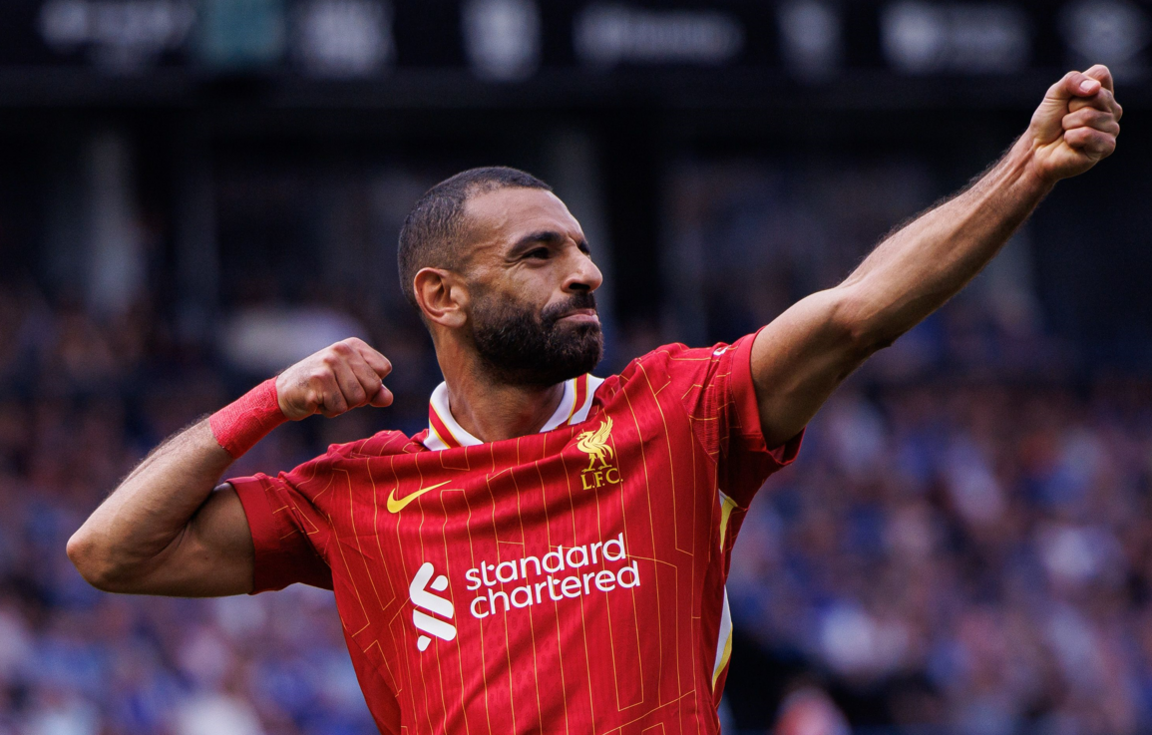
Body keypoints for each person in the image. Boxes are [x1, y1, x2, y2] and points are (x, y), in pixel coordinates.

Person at [67, 65, 1121, 734]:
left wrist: (1026, 170)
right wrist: (266, 406)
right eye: (540, 253)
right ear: (442, 295)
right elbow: (109, 552)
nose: (586, 272)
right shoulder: (357, 493)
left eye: (582, 246)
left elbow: (852, 317)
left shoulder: (676, 413)